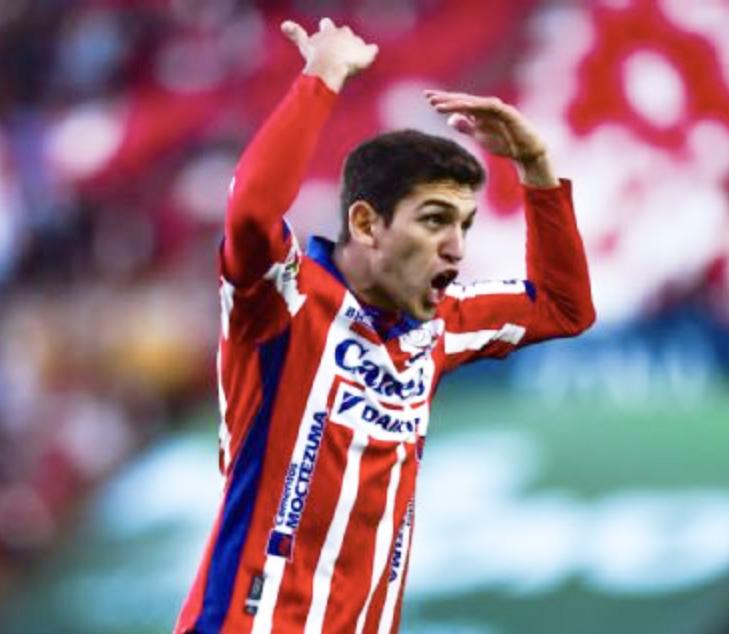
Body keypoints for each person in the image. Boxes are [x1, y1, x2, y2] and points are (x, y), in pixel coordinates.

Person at [174, 16, 595, 634]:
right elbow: (251, 214)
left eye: (464, 225)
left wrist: (535, 167)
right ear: (367, 224)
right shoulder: (284, 301)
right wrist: (323, 75)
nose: (456, 247)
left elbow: (565, 306)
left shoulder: (441, 325)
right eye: (434, 220)